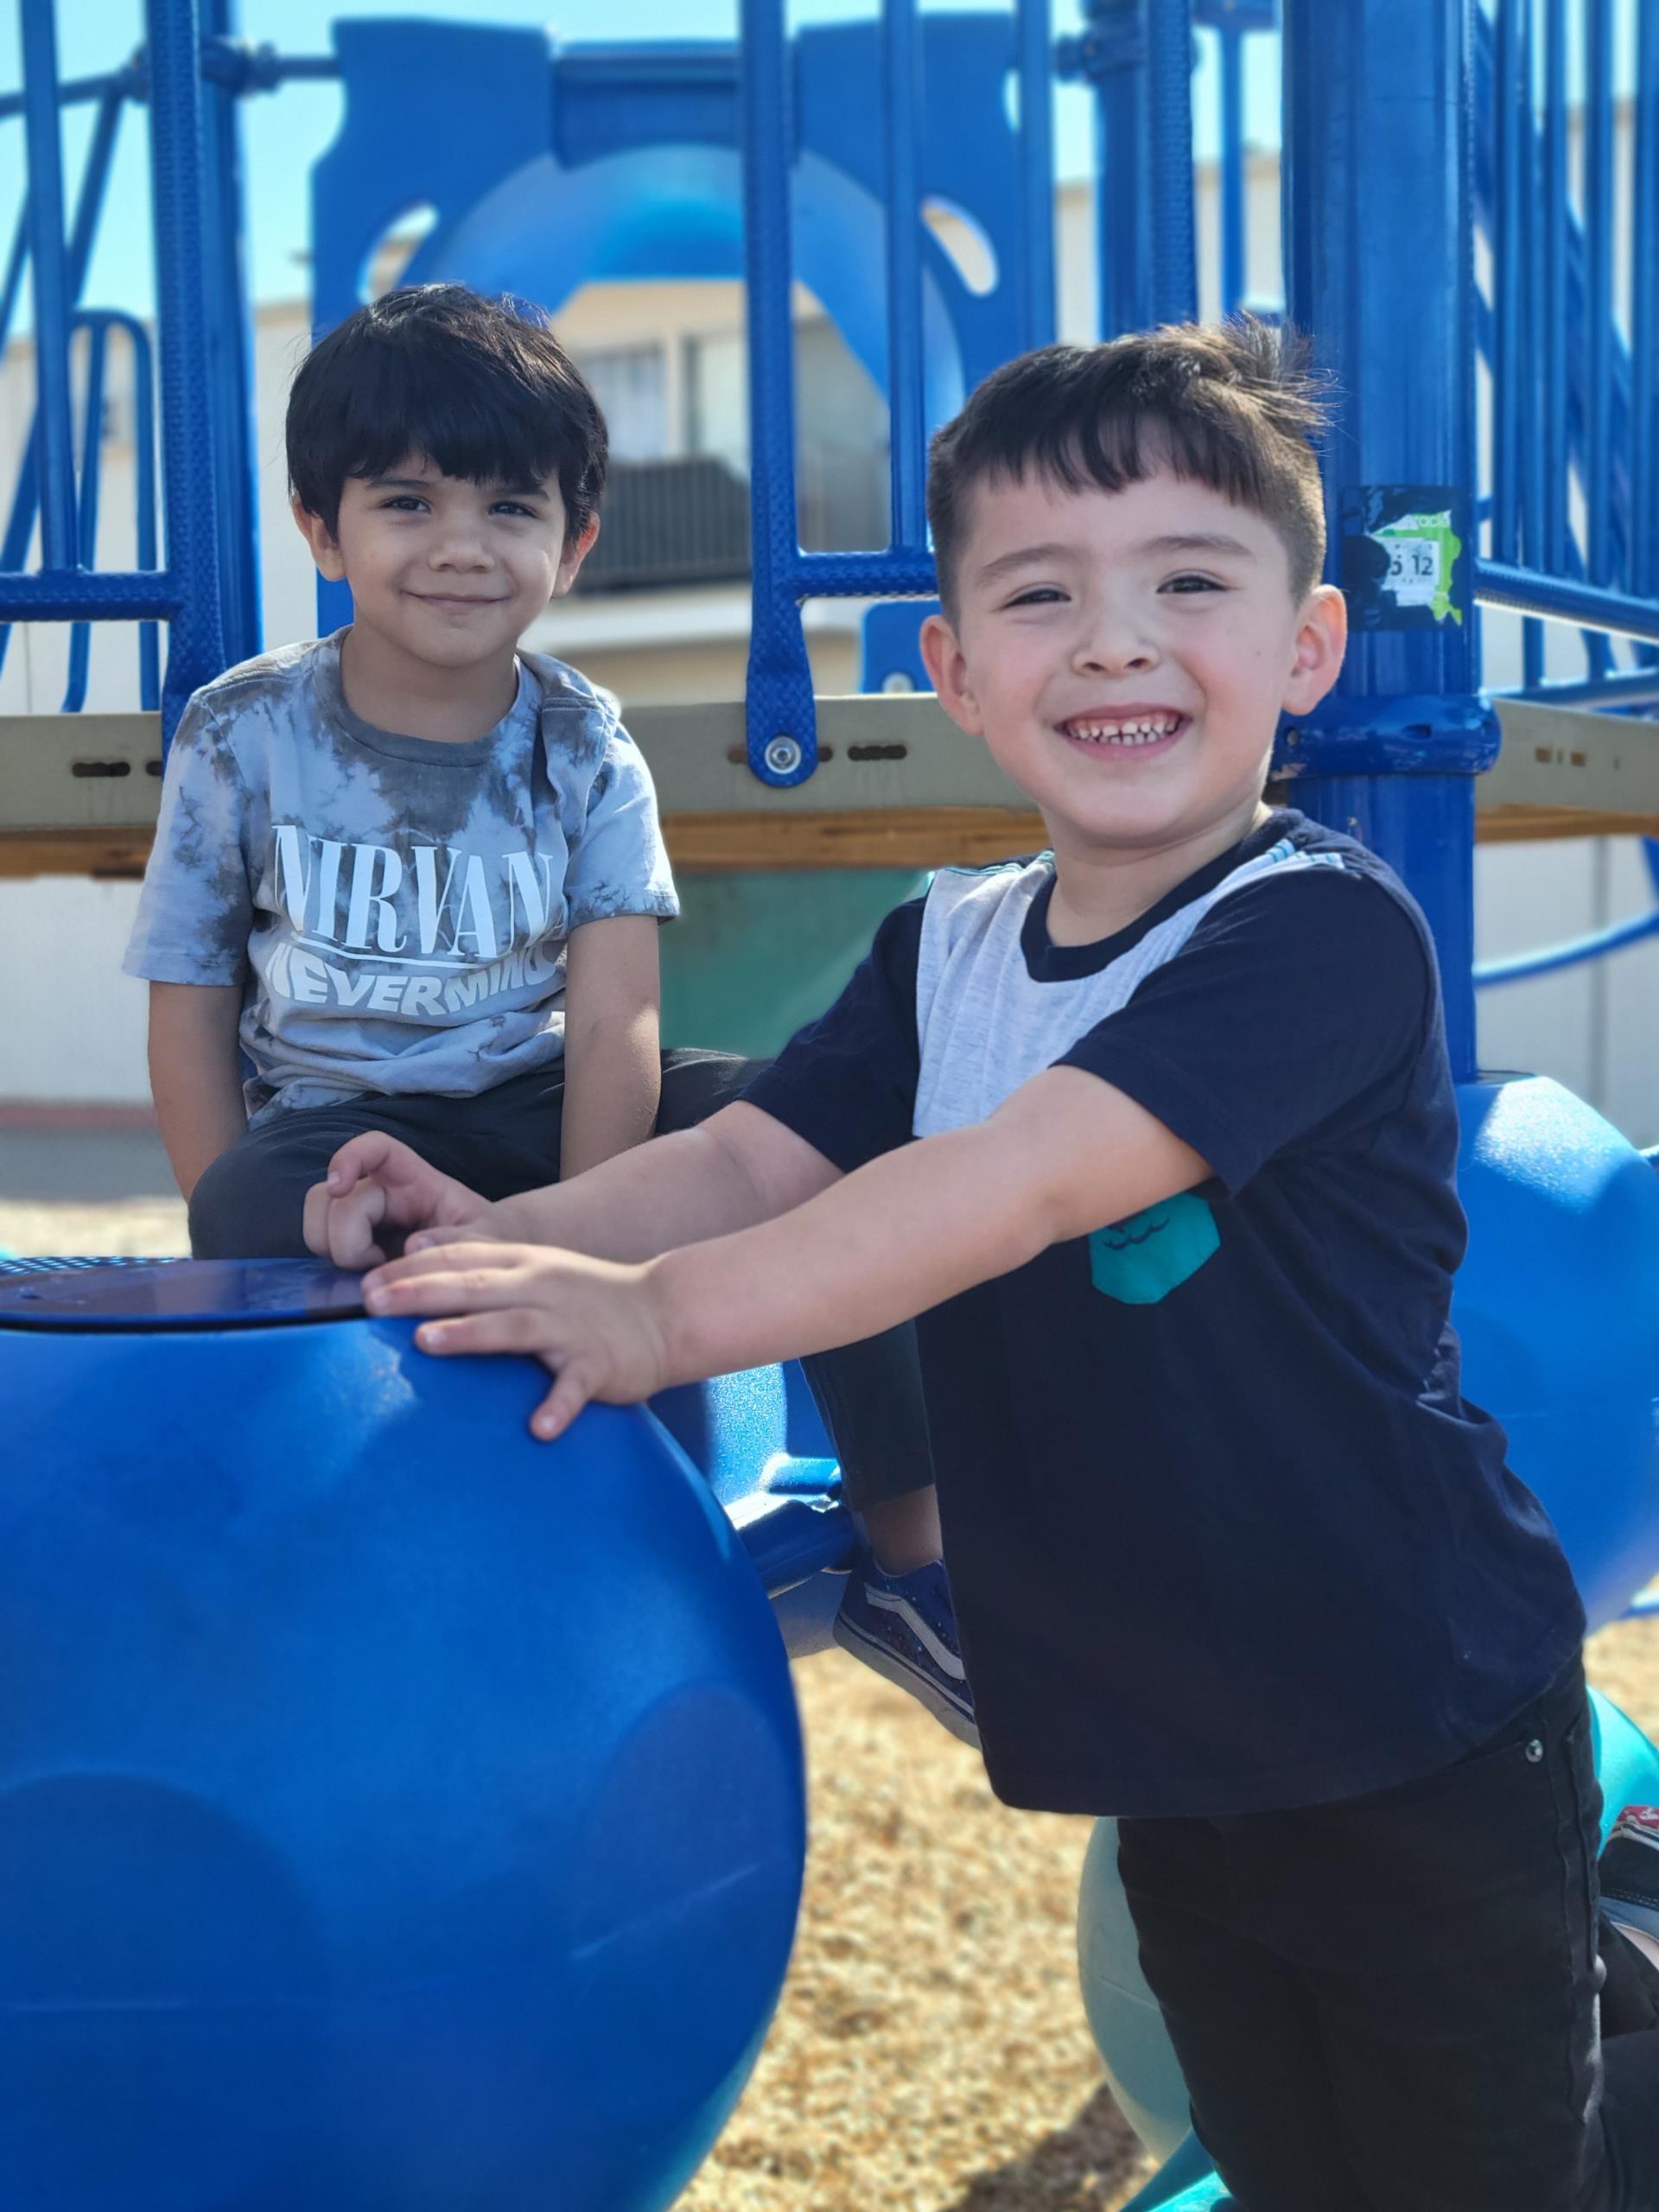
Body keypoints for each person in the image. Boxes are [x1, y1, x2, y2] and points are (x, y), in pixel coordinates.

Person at [306, 318, 1659, 2207]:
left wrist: (662, 1325)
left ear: (1308, 646)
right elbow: (739, 1154)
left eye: (1188, 579)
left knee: (1471, 2173)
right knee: (1283, 2153)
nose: (1113, 637)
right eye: (1042, 593)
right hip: (1181, 1745)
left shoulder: (1318, 936)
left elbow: (1022, 1180)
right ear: (954, 668)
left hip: (1414, 1726)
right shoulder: (941, 948)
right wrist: (498, 1231)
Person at [126, 281, 957, 1722]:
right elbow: (192, 996)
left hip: (556, 1108)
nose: (461, 547)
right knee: (262, 1204)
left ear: (572, 543)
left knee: (821, 1132)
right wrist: (228, 1233)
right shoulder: (245, 731)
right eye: (406, 503)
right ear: (321, 528)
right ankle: (363, 1500)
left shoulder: (582, 742)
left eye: (510, 509)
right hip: (345, 1129)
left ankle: (915, 1563)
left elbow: (617, 1011)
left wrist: (593, 1250)